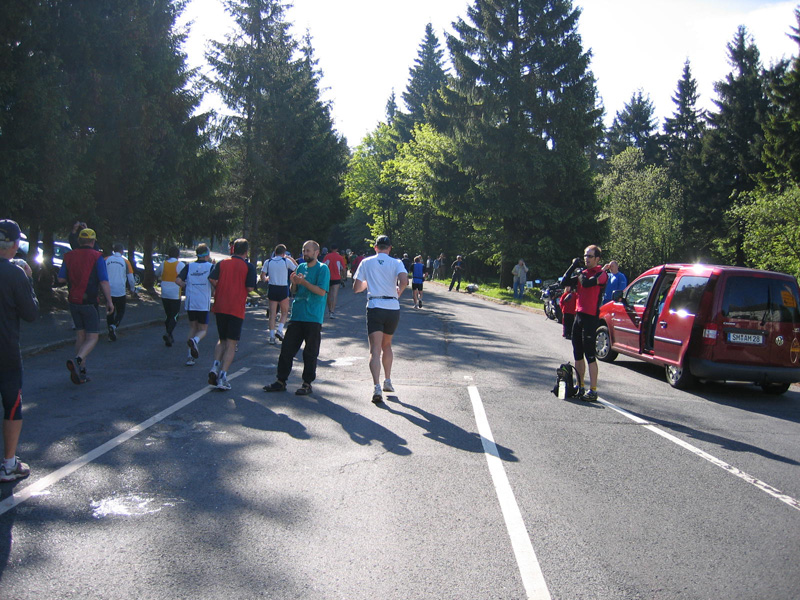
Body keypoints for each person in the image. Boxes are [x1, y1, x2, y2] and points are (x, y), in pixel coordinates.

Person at [263, 240, 330, 396]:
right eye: (304, 250)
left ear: (316, 252)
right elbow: (294, 290)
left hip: (313, 317)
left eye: (308, 251)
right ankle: (281, 381)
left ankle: (307, 383)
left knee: (310, 353)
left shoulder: (322, 269)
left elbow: (321, 291)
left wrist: (303, 282)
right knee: (287, 350)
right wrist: (293, 283)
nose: (305, 253)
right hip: (297, 315)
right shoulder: (300, 267)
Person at [0, 220, 39, 482]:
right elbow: (31, 313)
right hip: (6, 350)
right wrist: (29, 279)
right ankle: (9, 464)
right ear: (14, 245)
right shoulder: (16, 274)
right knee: (12, 405)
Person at [353, 235, 409, 404]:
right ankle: (388, 381)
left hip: (375, 306)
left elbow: (356, 288)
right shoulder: (397, 262)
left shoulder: (366, 262)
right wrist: (398, 292)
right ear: (389, 248)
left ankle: (376, 387)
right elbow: (404, 281)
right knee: (387, 345)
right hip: (392, 307)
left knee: (375, 349)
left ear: (375, 247)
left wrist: (368, 284)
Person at [58, 228, 115, 384]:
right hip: (89, 301)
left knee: (80, 336)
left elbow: (61, 279)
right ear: (93, 241)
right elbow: (103, 281)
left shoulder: (68, 256)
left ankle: (81, 371)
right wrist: (109, 301)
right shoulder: (97, 257)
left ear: (79, 241)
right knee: (93, 337)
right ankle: (78, 359)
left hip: (73, 300)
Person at [207, 238, 257, 391]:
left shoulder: (222, 263)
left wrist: (220, 286)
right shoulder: (248, 267)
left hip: (220, 305)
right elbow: (250, 287)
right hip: (236, 307)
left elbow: (211, 278)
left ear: (233, 249)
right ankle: (223, 376)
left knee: (222, 339)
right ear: (246, 251)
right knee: (231, 343)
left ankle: (215, 366)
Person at [563, 245, 608, 401]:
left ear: (597, 259)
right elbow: (565, 281)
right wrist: (573, 266)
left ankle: (593, 390)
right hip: (579, 316)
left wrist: (579, 273)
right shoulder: (583, 273)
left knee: (590, 354)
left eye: (589, 256)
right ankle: (580, 385)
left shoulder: (602, 274)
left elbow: (588, 283)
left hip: (591, 317)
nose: (586, 259)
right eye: (585, 256)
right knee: (577, 353)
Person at [176, 244, 214, 366]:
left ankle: (189, 356)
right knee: (203, 330)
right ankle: (195, 340)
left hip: (191, 301)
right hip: (203, 302)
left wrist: (186, 286)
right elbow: (215, 281)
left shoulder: (189, 266)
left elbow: (178, 280)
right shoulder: (210, 267)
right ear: (207, 255)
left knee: (193, 328)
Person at [260, 244, 297, 344]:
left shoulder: (268, 261)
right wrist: (291, 258)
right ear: (284, 253)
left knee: (272, 314)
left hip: (272, 288)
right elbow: (297, 268)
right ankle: (280, 330)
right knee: (284, 312)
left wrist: (266, 279)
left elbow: (262, 276)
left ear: (275, 252)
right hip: (283, 288)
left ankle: (271, 336)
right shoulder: (286, 261)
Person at [104, 243, 138, 341]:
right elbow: (131, 278)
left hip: (108, 289)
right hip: (120, 290)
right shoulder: (125, 261)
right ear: (122, 251)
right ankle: (114, 326)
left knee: (110, 311)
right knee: (121, 311)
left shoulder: (106, 259)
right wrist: (132, 289)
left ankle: (110, 331)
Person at [155, 247, 185, 347]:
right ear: (178, 255)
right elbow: (185, 276)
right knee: (175, 315)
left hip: (165, 293)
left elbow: (156, 273)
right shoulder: (180, 265)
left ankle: (169, 336)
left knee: (168, 315)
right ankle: (168, 333)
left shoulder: (164, 264)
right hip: (175, 293)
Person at [323, 245, 346, 319]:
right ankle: (332, 311)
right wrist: (343, 277)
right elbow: (343, 268)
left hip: (328, 278)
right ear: (337, 249)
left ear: (330, 249)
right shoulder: (340, 257)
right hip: (336, 278)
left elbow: (323, 267)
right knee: (334, 295)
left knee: (328, 295)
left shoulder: (327, 256)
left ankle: (330, 310)